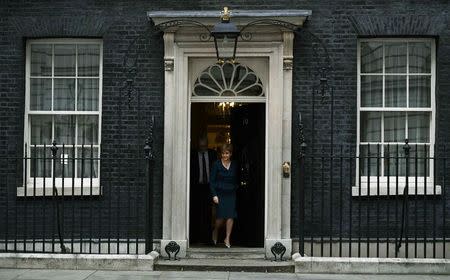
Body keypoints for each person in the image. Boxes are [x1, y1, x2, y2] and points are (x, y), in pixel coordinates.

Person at [210, 143, 238, 248]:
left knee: (231, 216)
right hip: (220, 194)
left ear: (230, 154)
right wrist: (214, 195)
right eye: (223, 153)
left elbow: (237, 179)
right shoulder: (216, 164)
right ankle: (215, 230)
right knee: (220, 218)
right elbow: (212, 181)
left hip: (231, 194)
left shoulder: (234, 164)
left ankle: (227, 238)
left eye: (227, 153)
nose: (225, 155)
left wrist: (235, 187)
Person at [190, 136, 217, 244]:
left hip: (209, 187)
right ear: (198, 145)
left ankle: (207, 238)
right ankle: (194, 238)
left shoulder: (213, 154)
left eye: (204, 146)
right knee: (195, 212)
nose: (203, 148)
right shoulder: (192, 154)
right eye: (201, 146)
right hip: (196, 187)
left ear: (207, 145)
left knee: (208, 213)